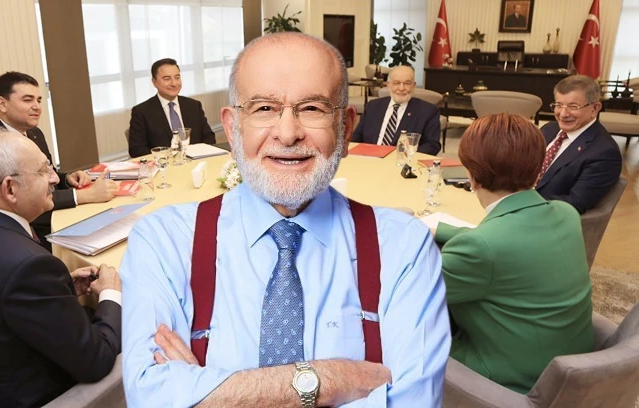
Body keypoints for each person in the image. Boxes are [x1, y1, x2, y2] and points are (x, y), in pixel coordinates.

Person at [120, 32, 450, 407]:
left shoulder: (404, 246)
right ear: (233, 129)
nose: (288, 133)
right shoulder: (163, 240)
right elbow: (150, 397)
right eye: (264, 108)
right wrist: (333, 380)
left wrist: (205, 392)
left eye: (312, 108)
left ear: (344, 129)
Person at [0, 129, 122, 408]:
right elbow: (97, 361)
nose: (54, 178)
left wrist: (59, 289)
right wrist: (110, 294)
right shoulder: (28, 265)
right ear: (10, 189)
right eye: (43, 171)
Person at [434, 113, 594, 393]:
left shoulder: (480, 248)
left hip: (511, 381)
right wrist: (438, 229)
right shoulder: (566, 214)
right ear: (538, 169)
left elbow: (408, 295)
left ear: (471, 176)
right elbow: (505, 242)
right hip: (568, 367)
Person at [0, 71, 117, 250]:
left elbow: (42, 175)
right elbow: (22, 196)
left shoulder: (33, 133)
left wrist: (66, 178)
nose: (37, 107)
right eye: (28, 100)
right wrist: (84, 195)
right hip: (14, 233)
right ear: (2, 103)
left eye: (39, 100)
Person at [536, 74, 623, 214]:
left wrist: (523, 202)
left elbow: (575, 203)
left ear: (594, 109)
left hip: (545, 217)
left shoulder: (605, 153)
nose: (563, 114)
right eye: (558, 105)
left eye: (573, 106)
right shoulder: (549, 129)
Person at [127, 58, 216, 157]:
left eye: (177, 77)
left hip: (197, 161)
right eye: (167, 79)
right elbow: (136, 149)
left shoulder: (194, 105)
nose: (174, 83)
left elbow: (209, 137)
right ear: (154, 82)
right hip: (163, 164)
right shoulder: (142, 112)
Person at [352, 65, 441, 154]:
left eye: (407, 83)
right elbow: (357, 137)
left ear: (413, 86)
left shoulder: (428, 111)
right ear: (388, 85)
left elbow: (432, 145)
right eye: (396, 83)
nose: (401, 88)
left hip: (402, 160)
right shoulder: (372, 106)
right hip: (370, 158)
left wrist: (407, 154)